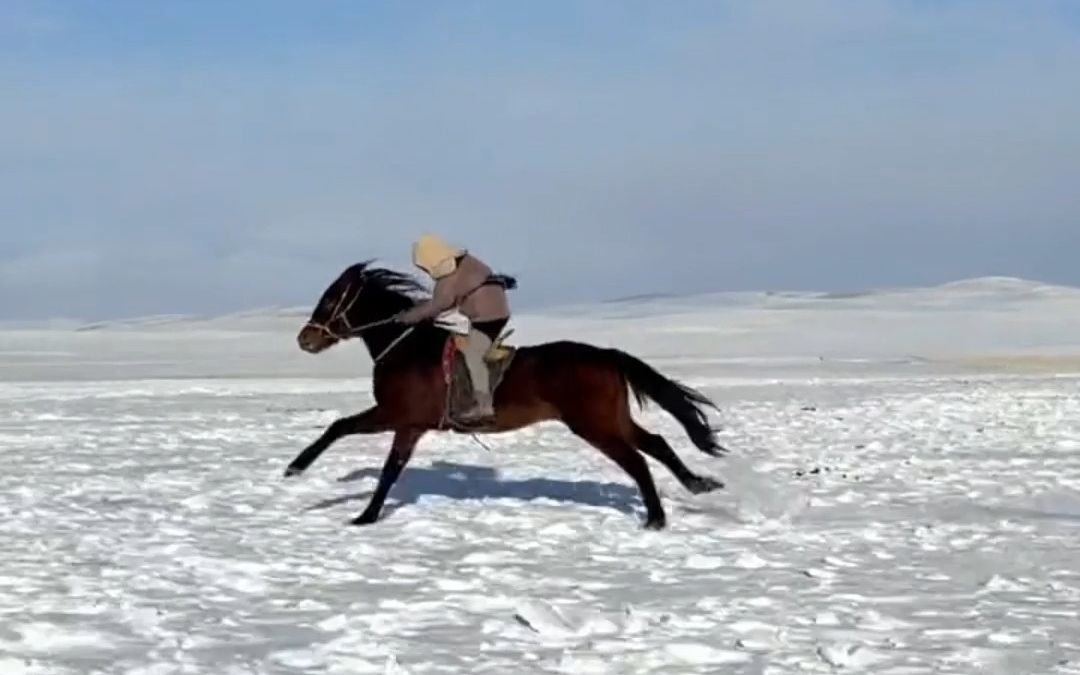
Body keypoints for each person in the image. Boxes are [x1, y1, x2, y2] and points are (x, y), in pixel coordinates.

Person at [396, 233, 514, 424]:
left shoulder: (447, 278)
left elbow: (440, 304)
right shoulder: (468, 262)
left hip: (487, 318)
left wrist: (408, 317)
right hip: (496, 311)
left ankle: (484, 407)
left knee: (472, 354)